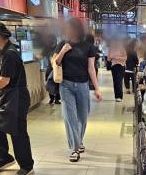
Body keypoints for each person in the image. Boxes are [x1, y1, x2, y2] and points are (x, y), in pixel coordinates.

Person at [0, 21, 35, 175]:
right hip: (5, 98)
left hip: (16, 98)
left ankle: (26, 165)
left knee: (18, 132)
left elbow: (4, 80)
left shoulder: (10, 54)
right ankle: (4, 157)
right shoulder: (1, 52)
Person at [53, 18, 102, 162]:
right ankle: (75, 148)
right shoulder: (62, 44)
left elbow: (91, 68)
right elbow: (55, 62)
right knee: (70, 118)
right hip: (66, 85)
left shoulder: (88, 47)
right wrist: (63, 51)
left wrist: (97, 88)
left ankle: (79, 141)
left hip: (82, 85)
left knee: (83, 117)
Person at [42, 33, 60, 105]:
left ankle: (57, 99)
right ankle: (52, 98)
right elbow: (41, 56)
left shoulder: (59, 47)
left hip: (57, 69)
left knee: (58, 83)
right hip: (50, 69)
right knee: (50, 84)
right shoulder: (47, 48)